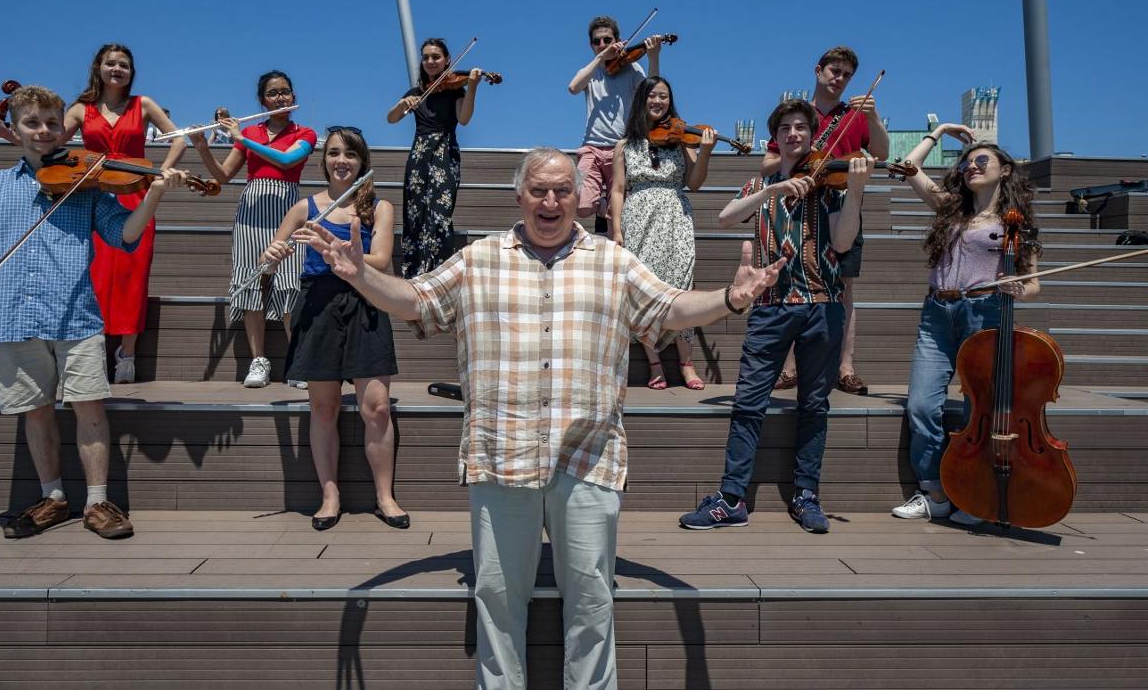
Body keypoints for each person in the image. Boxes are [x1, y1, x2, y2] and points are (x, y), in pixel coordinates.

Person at [296, 146, 785, 690]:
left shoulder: (613, 260)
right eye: (538, 190)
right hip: (502, 454)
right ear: (519, 195)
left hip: (588, 458)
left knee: (593, 602)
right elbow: (414, 299)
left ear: (580, 197)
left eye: (563, 191)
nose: (550, 201)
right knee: (498, 601)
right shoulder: (479, 258)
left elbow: (670, 309)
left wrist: (730, 299)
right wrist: (360, 275)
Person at [0, 85, 190, 539]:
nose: (45, 131)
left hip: (75, 314)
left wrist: (152, 196)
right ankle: (53, 497)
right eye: (33, 123)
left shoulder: (87, 183)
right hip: (11, 315)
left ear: (63, 127)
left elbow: (126, 236)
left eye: (53, 123)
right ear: (15, 130)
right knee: (37, 411)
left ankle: (97, 502)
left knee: (90, 408)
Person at [680, 99, 872, 535]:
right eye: (785, 127)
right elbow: (727, 217)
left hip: (821, 305)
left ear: (809, 134)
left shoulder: (832, 187)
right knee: (748, 402)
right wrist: (770, 190)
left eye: (802, 127)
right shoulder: (759, 185)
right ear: (776, 137)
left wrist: (857, 191)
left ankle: (806, 494)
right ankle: (731, 498)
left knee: (814, 405)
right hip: (769, 310)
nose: (794, 134)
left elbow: (842, 245)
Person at [0, 44, 190, 384]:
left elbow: (179, 140)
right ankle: (90, 349)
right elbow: (48, 147)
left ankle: (127, 353)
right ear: (99, 68)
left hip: (136, 195)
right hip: (89, 191)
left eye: (124, 64)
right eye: (111, 63)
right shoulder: (81, 109)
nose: (117, 69)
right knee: (89, 273)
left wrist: (157, 176)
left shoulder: (145, 104)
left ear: (131, 71)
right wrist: (6, 133)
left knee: (131, 276)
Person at [890, 127, 1041, 525]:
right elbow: (910, 166)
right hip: (937, 313)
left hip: (985, 313)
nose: (971, 166)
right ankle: (934, 493)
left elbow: (1033, 283)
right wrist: (938, 132)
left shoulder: (1014, 223)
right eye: (968, 162)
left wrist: (1016, 288)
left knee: (982, 409)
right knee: (922, 404)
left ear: (1005, 170)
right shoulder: (949, 209)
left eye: (982, 161)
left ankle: (977, 495)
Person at [259, 128, 407, 531]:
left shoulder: (378, 207)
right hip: (318, 305)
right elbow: (270, 259)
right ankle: (330, 495)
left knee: (375, 407)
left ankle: (385, 495)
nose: (342, 160)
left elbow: (381, 260)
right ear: (324, 160)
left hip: (364, 301)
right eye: (334, 153)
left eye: (351, 154)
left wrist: (341, 252)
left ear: (362, 162)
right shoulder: (305, 207)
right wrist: (273, 254)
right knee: (322, 408)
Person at [762, 46, 889, 395]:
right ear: (818, 70)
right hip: (800, 202)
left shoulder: (857, 114)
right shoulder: (799, 116)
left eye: (846, 74)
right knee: (793, 282)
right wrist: (805, 155)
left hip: (842, 203)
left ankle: (845, 367)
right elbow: (767, 165)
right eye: (834, 71)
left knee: (845, 285)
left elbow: (881, 153)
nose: (840, 79)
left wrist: (875, 119)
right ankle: (789, 367)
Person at [190, 71, 317, 388]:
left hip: (287, 208)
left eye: (285, 92)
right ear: (262, 100)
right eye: (273, 94)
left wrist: (241, 138)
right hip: (251, 210)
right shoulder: (249, 132)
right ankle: (259, 360)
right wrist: (202, 146)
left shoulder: (305, 132)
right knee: (250, 281)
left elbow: (288, 161)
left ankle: (299, 360)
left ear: (293, 96)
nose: (280, 98)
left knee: (288, 281)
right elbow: (222, 176)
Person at [610, 76, 715, 390]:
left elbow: (695, 183)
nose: (658, 102)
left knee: (683, 286)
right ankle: (655, 363)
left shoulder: (682, 139)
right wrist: (616, 229)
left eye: (664, 97)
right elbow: (617, 189)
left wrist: (706, 151)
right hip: (638, 216)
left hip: (674, 215)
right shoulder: (624, 145)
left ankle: (686, 363)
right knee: (643, 292)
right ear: (641, 99)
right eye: (652, 96)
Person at [386, 38, 482, 277]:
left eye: (436, 57)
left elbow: (464, 118)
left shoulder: (456, 89)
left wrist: (472, 87)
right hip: (419, 152)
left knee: (439, 214)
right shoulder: (415, 93)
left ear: (447, 60)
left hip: (445, 149)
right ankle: (414, 273)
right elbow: (391, 118)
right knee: (414, 213)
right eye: (426, 57)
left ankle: (438, 271)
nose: (430, 61)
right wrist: (401, 104)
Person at [567, 15, 662, 235]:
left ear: (618, 40)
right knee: (580, 204)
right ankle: (599, 206)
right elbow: (573, 87)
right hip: (591, 145)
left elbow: (652, 92)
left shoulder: (632, 68)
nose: (602, 45)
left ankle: (613, 256)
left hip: (620, 148)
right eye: (597, 41)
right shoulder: (592, 70)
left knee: (617, 216)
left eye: (607, 40)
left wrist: (654, 57)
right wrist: (601, 58)